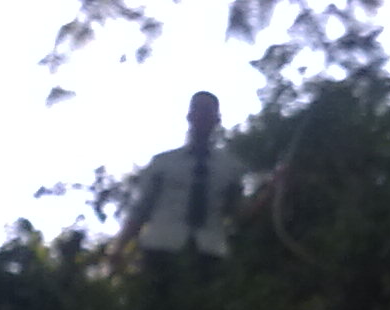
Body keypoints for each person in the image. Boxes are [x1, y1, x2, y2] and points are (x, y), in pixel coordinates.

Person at [108, 90, 270, 280]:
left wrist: (271, 190)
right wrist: (119, 247)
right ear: (189, 116)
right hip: (161, 248)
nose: (202, 116)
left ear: (217, 119)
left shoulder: (230, 168)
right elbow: (140, 209)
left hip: (209, 251)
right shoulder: (162, 163)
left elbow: (239, 214)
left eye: (208, 111)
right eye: (198, 110)